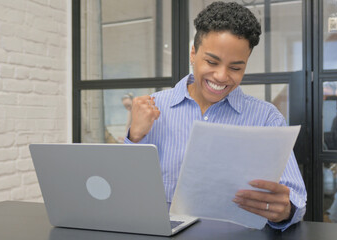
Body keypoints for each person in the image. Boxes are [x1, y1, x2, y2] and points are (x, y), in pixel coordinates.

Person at [125, 1, 306, 231]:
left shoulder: (266, 118)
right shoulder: (153, 108)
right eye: (211, 62)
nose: (221, 76)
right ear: (193, 53)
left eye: (236, 68)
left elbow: (296, 198)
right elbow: (125, 193)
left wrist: (285, 210)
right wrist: (134, 136)